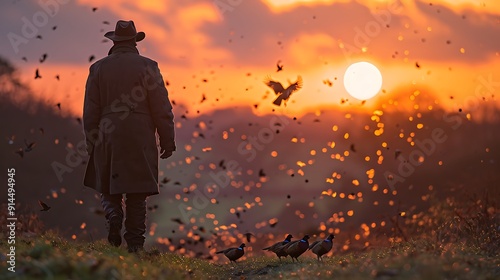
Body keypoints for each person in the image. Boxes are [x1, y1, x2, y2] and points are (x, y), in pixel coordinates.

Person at [83, 20, 175, 253]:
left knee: (108, 186)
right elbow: (161, 107)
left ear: (113, 41)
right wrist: (167, 139)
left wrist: (91, 141)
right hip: (140, 134)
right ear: (135, 41)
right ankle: (135, 245)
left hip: (108, 133)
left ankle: (113, 214)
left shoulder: (98, 68)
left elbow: (90, 111)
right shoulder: (149, 66)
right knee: (137, 192)